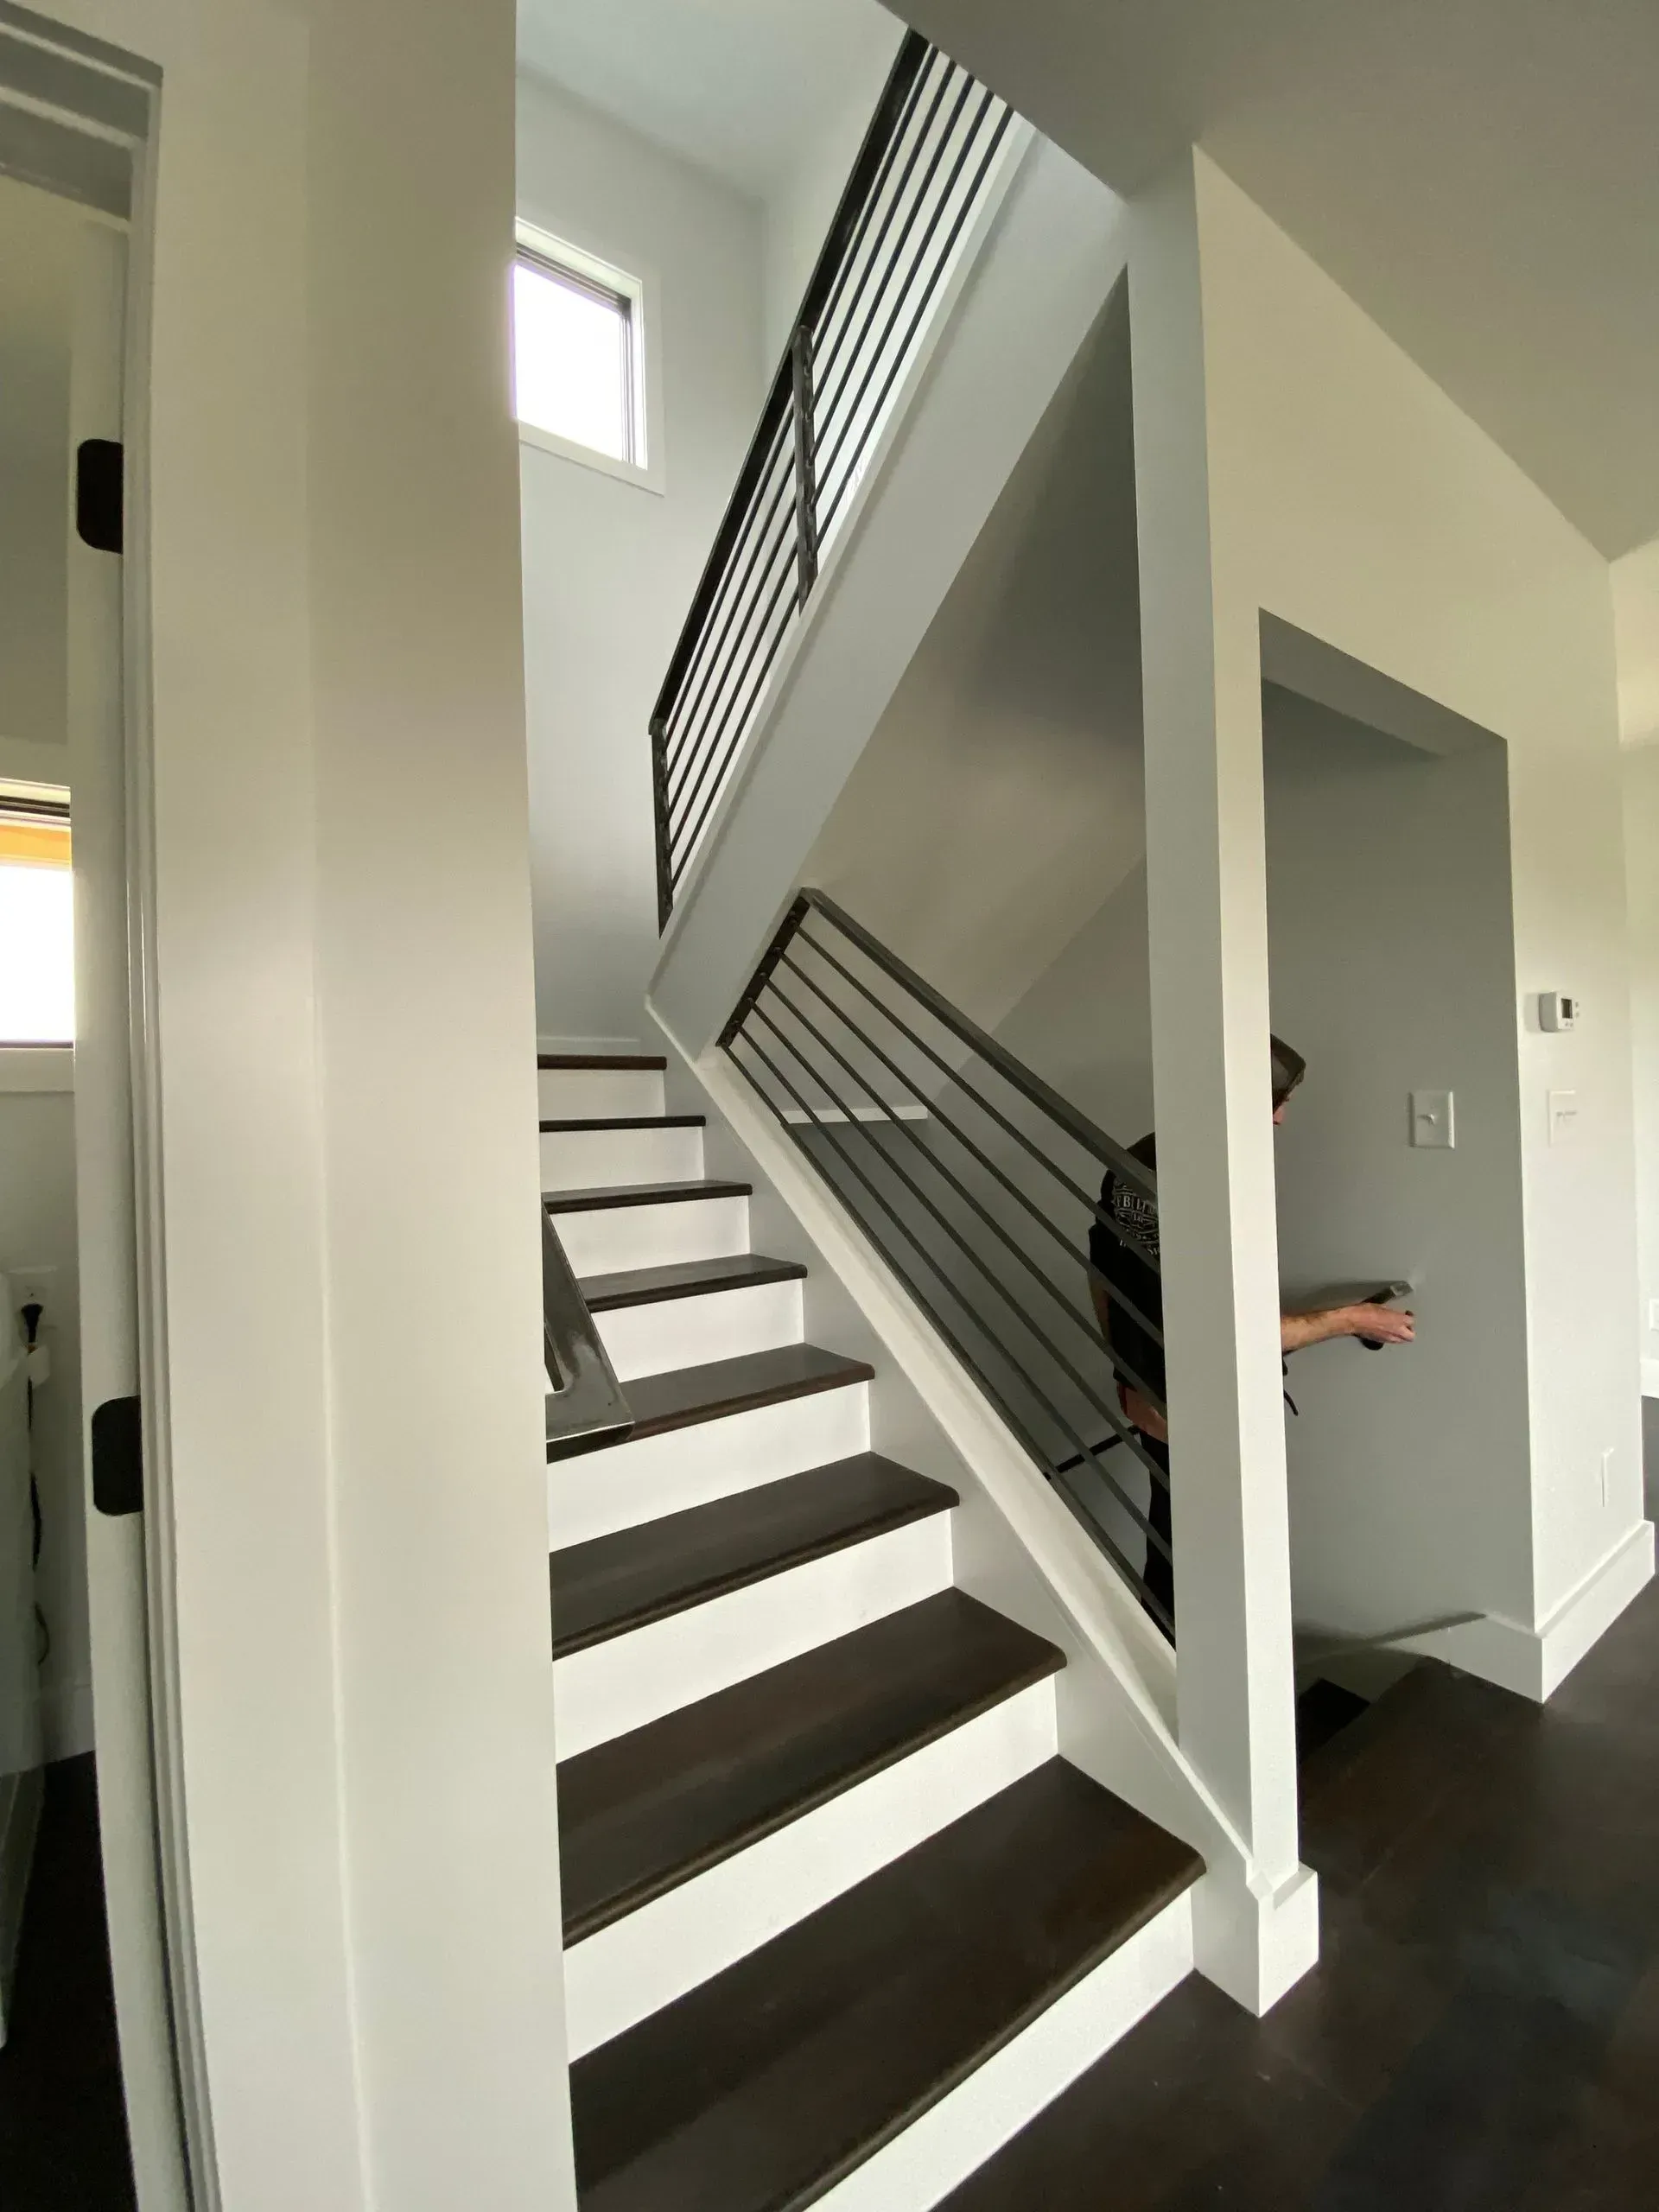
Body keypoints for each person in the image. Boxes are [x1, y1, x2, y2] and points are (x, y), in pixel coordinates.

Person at [1086, 1035, 1414, 1634]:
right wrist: (1351, 1320)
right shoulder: (1188, 1181)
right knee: (1200, 1563)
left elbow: (1106, 1272)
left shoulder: (1156, 1161)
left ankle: (1185, 1680)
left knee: (1187, 1552)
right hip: (1190, 1403)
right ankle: (1188, 1695)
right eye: (1275, 1099)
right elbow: (1219, 1322)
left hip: (1167, 1395)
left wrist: (1126, 1376)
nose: (1282, 1116)